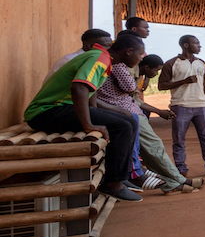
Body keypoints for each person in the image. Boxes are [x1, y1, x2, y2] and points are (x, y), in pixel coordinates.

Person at [24, 32, 144, 202]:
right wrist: (89, 124)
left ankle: (119, 176)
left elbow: (90, 91)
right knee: (123, 126)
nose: (141, 59)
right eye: (140, 54)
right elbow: (79, 88)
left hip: (59, 108)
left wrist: (100, 114)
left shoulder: (103, 58)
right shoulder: (100, 58)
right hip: (46, 112)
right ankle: (113, 183)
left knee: (129, 121)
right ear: (129, 51)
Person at [97, 53, 204, 195]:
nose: (156, 74)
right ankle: (178, 180)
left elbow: (136, 97)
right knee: (154, 147)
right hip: (128, 113)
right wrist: (158, 111)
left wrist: (157, 109)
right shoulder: (122, 67)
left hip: (131, 111)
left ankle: (173, 183)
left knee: (149, 152)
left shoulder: (132, 69)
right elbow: (131, 96)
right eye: (156, 70)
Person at [159, 35, 205, 178]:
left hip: (201, 105)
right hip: (180, 105)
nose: (199, 46)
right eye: (196, 43)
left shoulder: (200, 63)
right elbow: (161, 85)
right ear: (186, 45)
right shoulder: (171, 63)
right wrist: (183, 81)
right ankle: (181, 168)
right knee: (179, 139)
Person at [44, 29, 112, 82]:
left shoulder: (94, 61)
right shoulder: (71, 60)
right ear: (90, 46)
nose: (110, 49)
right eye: (106, 46)